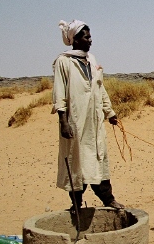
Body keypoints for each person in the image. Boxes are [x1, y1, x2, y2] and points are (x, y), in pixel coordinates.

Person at [52, 19, 124, 211]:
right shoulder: (63, 62)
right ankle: (75, 204)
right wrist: (63, 122)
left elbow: (100, 89)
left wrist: (110, 113)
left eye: (90, 36)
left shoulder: (91, 60)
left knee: (98, 159)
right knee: (77, 162)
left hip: (95, 122)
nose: (90, 40)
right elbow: (59, 93)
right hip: (75, 122)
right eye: (86, 36)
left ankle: (108, 199)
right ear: (75, 39)